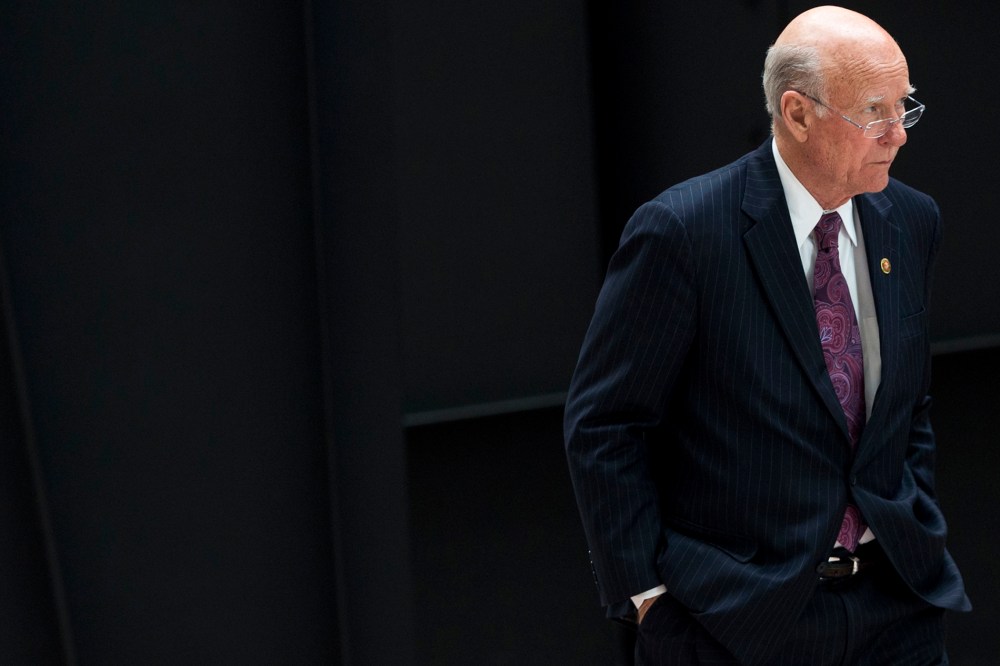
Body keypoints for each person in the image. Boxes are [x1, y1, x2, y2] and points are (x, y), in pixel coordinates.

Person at [563, 6, 970, 665]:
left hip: (896, 609)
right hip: (736, 621)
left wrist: (914, 526)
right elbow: (606, 425)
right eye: (875, 113)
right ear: (798, 113)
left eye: (906, 107)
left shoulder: (911, 220)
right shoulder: (683, 232)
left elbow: (906, 405)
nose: (897, 134)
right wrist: (646, 593)